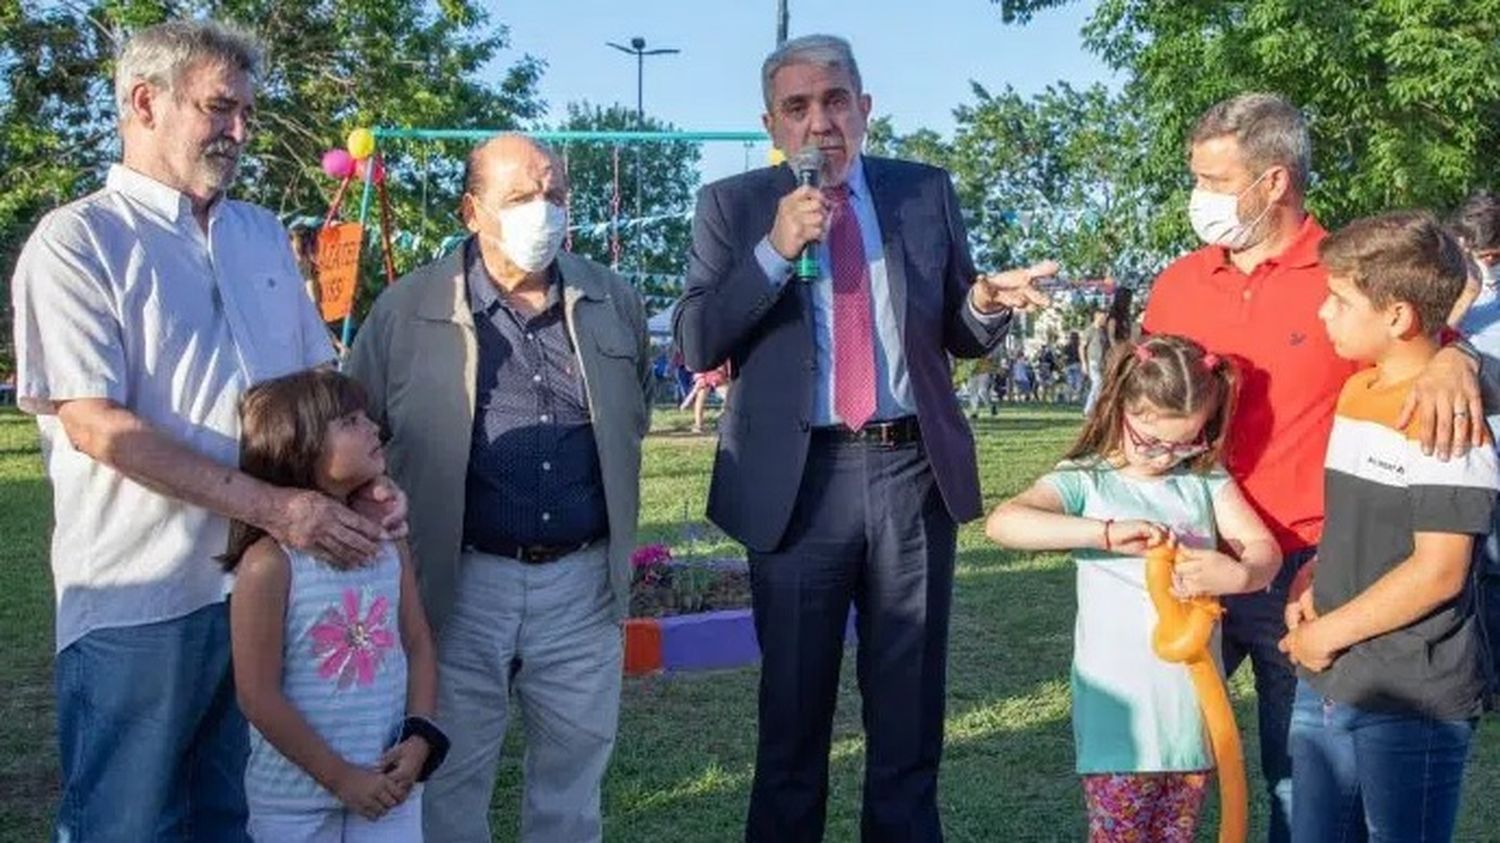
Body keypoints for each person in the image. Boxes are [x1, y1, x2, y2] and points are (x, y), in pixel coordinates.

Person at [8, 21, 404, 842]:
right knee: (131, 822)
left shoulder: (259, 231)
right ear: (143, 102)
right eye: (220, 108)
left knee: (243, 819)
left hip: (274, 589)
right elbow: (95, 425)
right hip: (142, 596)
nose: (238, 131)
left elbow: (317, 394)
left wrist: (367, 488)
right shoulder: (78, 241)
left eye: (247, 113)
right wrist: (276, 507)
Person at [673, 33, 1055, 842]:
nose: (821, 123)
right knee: (792, 724)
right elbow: (698, 340)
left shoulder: (924, 192)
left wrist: (986, 299)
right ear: (771, 125)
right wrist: (776, 250)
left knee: (909, 718)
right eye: (799, 107)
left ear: (866, 108)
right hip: (796, 486)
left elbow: (959, 327)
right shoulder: (733, 206)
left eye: (836, 101)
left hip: (910, 472)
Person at [1140, 93, 1486, 841]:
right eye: (1195, 178)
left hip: (1305, 570)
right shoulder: (1178, 282)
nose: (1200, 199)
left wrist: (1459, 361)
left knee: (1299, 782)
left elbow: (1424, 340)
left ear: (1274, 182)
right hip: (1191, 554)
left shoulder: (1349, 277)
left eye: (1215, 180)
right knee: (1162, 762)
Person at [345, 133, 650, 843]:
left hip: (581, 584)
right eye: (519, 198)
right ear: (472, 209)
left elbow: (631, 408)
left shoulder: (612, 299)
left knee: (572, 787)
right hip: (457, 585)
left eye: (554, 195)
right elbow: (353, 431)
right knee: (449, 780)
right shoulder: (405, 309)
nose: (542, 211)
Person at [988, 334, 1278, 841]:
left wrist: (1242, 573)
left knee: (1176, 834)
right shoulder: (1086, 482)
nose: (1165, 457)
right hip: (1120, 721)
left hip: (1190, 716)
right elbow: (1005, 523)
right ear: (1120, 404)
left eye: (1184, 442)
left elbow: (1261, 549)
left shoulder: (1204, 481)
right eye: (1150, 440)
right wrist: (1101, 533)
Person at [1281, 211, 1498, 840]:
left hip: (1411, 695)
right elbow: (1360, 525)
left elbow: (1440, 570)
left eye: (1339, 300)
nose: (1323, 313)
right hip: (1331, 677)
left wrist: (1326, 636)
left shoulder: (1447, 416)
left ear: (1398, 316)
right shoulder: (1357, 395)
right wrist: (1314, 577)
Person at [226, 370, 447, 842]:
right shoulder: (269, 565)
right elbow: (256, 694)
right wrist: (342, 779)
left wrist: (419, 736)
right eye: (350, 420)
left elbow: (418, 643)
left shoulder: (389, 543)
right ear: (298, 446)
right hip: (292, 804)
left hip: (390, 790)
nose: (373, 427)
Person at [1450, 190, 1500, 702]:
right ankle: (1483, 681)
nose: (1488, 269)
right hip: (1465, 457)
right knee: (1472, 574)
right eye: (1478, 256)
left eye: (1494, 259)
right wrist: (1464, 290)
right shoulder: (1447, 292)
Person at [681, 361, 731, 433]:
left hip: (717, 372)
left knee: (728, 396)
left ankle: (722, 417)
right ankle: (699, 425)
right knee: (700, 398)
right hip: (707, 373)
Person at [1082, 308, 1109, 415]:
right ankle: (1091, 408)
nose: (1104, 319)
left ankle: (1093, 408)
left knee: (1099, 385)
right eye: (1103, 317)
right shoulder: (1089, 331)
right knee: (1097, 383)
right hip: (1093, 361)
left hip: (1102, 362)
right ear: (1097, 316)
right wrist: (1084, 363)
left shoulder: (1103, 331)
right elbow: (1082, 347)